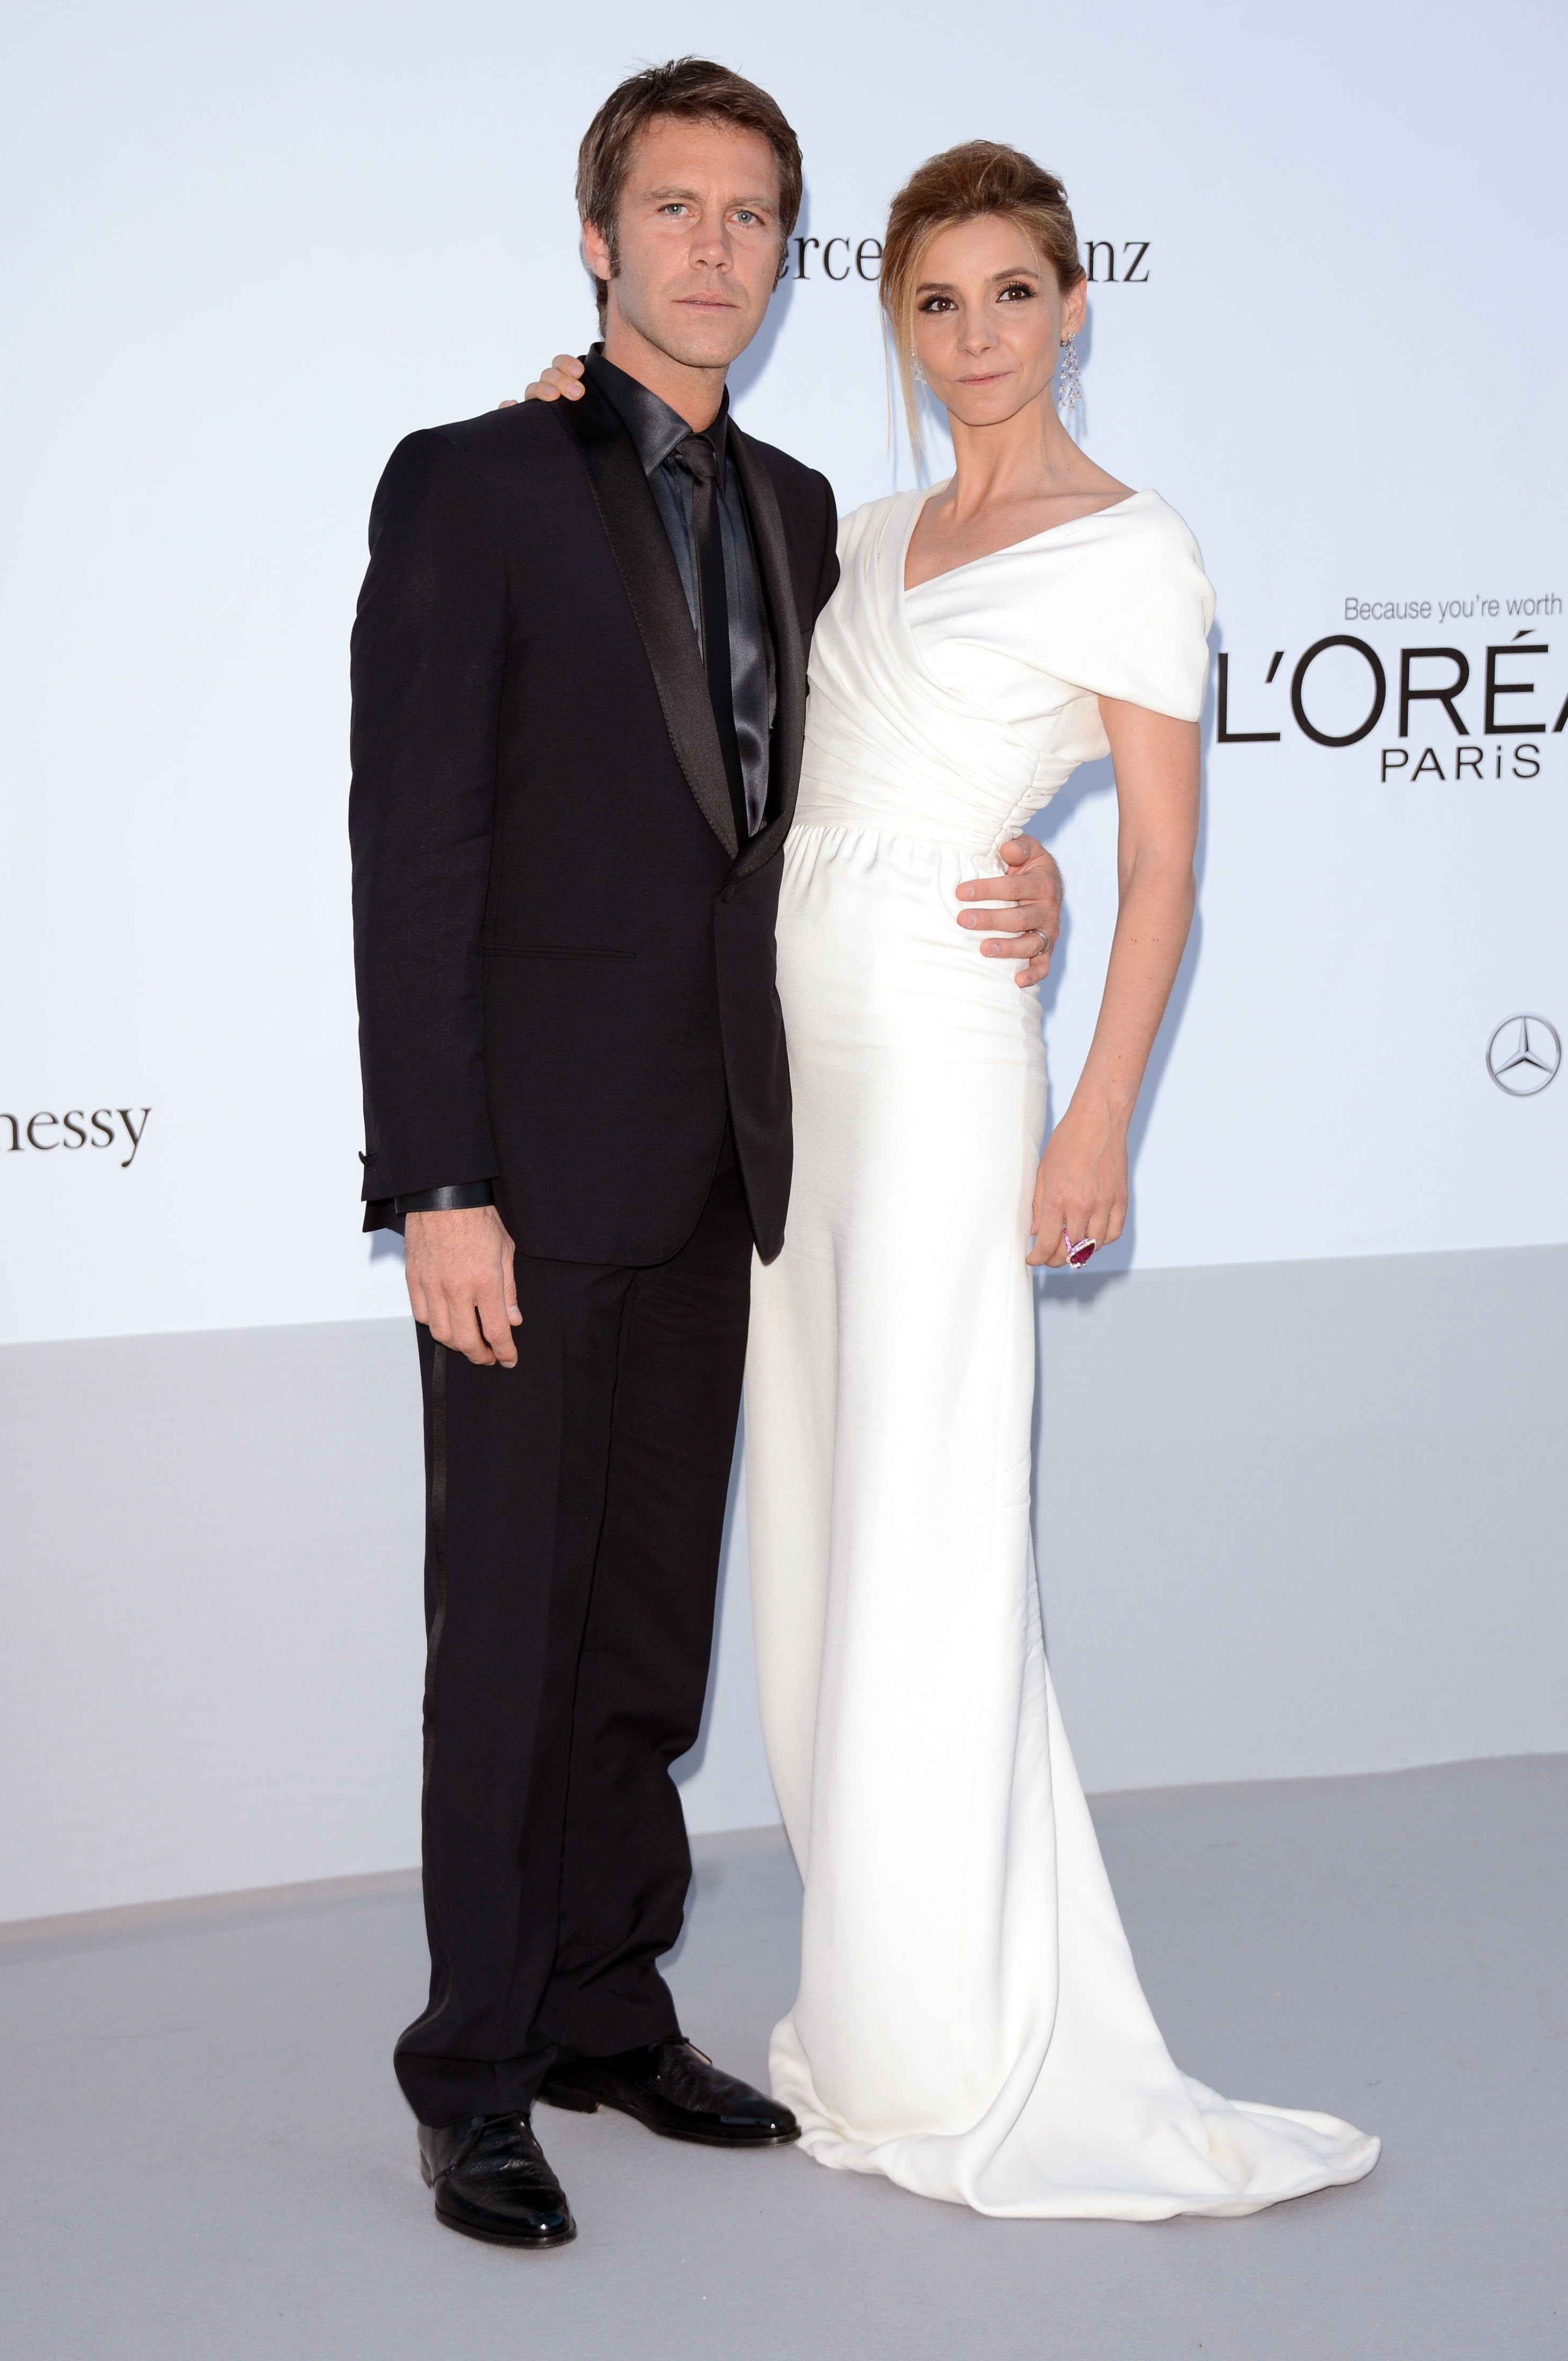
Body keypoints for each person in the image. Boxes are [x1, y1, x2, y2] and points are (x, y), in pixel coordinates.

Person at [529, 141, 1380, 2217]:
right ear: (893, 317)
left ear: (1075, 304)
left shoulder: (1130, 545)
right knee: (822, 1513)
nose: (977, 336)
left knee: (927, 1515)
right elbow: (733, 684)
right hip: (787, 1066)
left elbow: (1163, 860)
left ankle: (958, 2030)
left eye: (1014, 295)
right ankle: (879, 1983)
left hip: (935, 1055)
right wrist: (570, 420)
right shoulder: (869, 522)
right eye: (937, 301)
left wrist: (1094, 1113)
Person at [348, 66, 1063, 2251]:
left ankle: (603, 2003)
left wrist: (1026, 890)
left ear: (784, 251)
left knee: (647, 1636)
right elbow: (415, 849)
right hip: (528, 1180)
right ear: (600, 236)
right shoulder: (471, 480)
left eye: (753, 215)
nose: (713, 250)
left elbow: (849, 808)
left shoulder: (815, 507)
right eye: (673, 209)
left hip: (732, 1169)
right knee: (513, 1640)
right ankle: (472, 2070)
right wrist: (436, 1176)